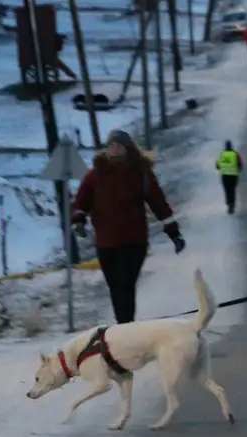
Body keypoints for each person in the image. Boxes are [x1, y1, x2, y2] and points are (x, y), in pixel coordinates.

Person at [72, 129, 186, 324]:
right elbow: (81, 201)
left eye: (118, 146)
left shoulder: (141, 173)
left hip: (133, 242)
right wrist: (79, 221)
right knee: (115, 288)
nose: (114, 149)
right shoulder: (96, 174)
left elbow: (159, 203)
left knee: (125, 285)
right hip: (105, 243)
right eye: (110, 146)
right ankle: (123, 328)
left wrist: (173, 233)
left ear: (128, 149)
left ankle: (125, 327)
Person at [216, 140, 243, 214]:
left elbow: (217, 166)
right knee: (232, 190)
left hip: (225, 176)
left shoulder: (222, 154)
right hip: (233, 175)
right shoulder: (235, 154)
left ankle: (229, 204)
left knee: (227, 190)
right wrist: (239, 170)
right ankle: (232, 204)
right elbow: (240, 164)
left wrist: (222, 169)